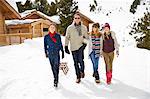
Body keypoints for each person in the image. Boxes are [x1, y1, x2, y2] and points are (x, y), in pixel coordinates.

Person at [65, 12, 88, 83]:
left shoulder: (84, 27)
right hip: (73, 47)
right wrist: (66, 46)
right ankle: (78, 76)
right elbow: (67, 37)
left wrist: (84, 44)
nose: (77, 19)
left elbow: (86, 37)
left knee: (81, 61)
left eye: (78, 18)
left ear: (80, 19)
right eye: (76, 18)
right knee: (75, 63)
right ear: (73, 19)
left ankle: (82, 71)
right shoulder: (70, 28)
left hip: (81, 46)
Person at [44, 23, 64, 87]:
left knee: (56, 66)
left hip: (56, 53)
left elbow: (60, 44)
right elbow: (45, 45)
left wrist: (62, 51)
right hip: (50, 53)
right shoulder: (46, 37)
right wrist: (46, 52)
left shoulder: (58, 36)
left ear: (55, 29)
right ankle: (55, 76)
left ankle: (56, 79)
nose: (52, 28)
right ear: (49, 29)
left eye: (53, 27)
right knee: (52, 67)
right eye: (51, 27)